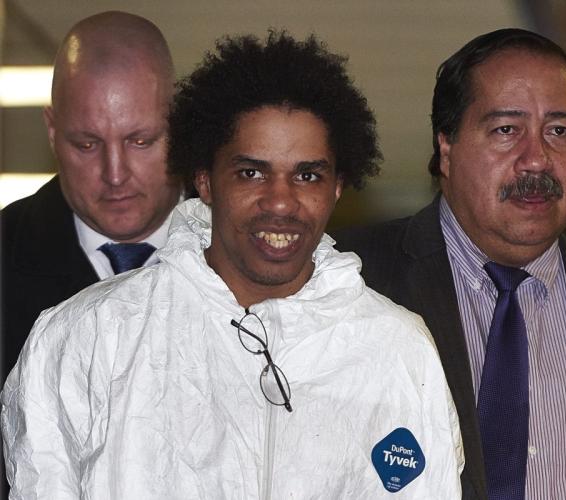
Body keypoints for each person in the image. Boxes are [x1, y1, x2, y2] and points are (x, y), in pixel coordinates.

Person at [1, 32, 463, 499]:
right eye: (251, 173)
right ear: (204, 179)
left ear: (338, 187)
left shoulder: (396, 350)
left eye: (307, 175)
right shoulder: (86, 338)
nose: (280, 201)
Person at [334, 28, 566, 499]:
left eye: (559, 131)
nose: (536, 160)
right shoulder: (348, 283)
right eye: (507, 130)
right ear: (446, 148)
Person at [1, 11, 181, 379]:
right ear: (52, 131)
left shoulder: (252, 251)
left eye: (140, 141)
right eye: (86, 144)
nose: (115, 174)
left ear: (180, 122)